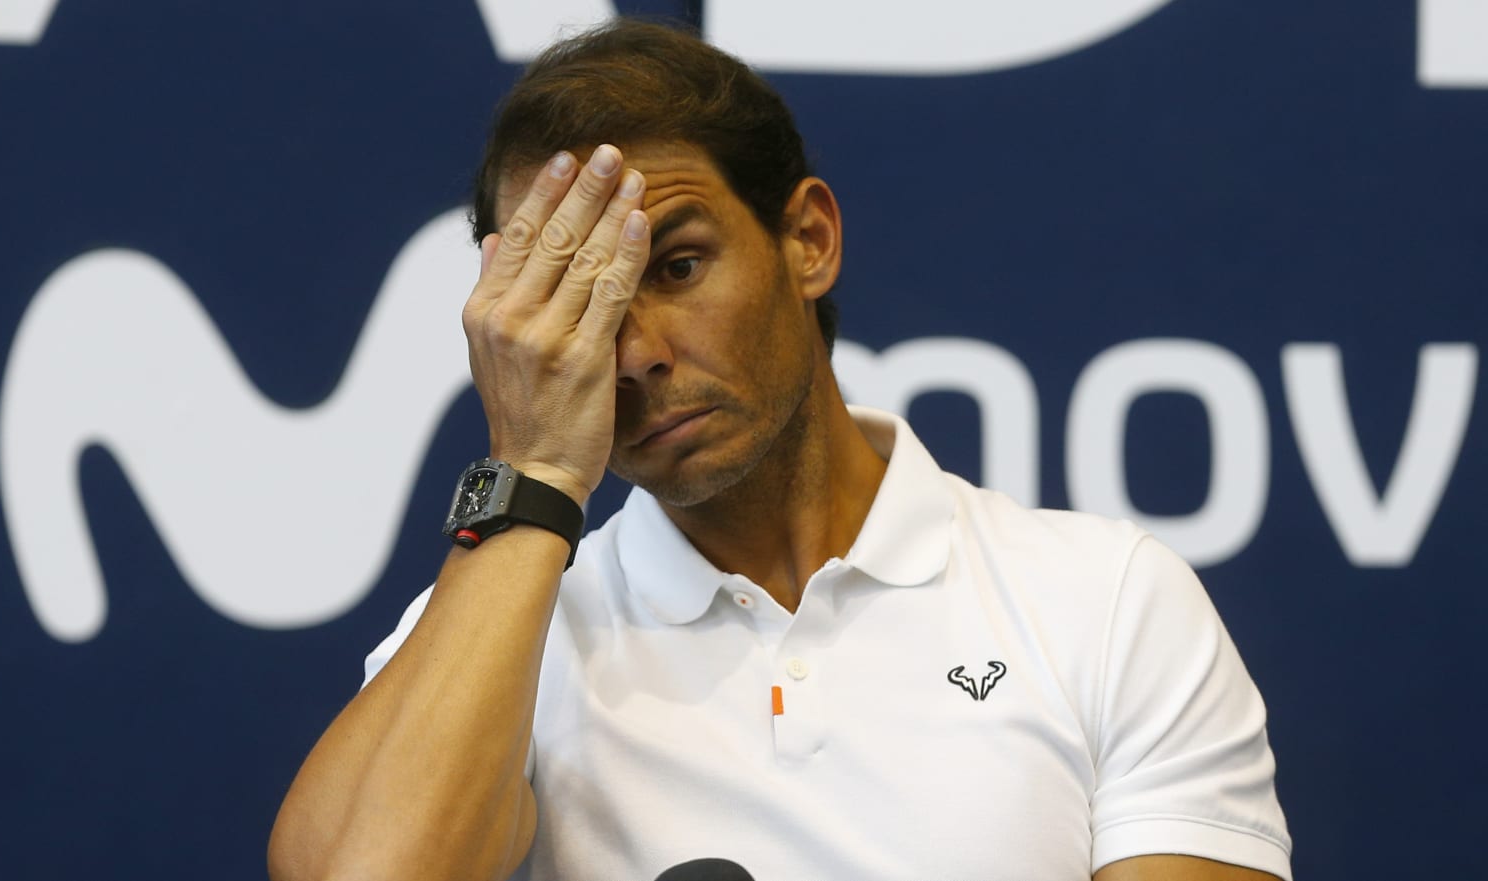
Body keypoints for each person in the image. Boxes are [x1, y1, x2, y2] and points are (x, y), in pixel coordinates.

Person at [268, 18, 1291, 881]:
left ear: (807, 239)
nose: (635, 355)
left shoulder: (1105, 599)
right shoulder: (498, 631)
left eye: (675, 264)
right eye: (581, 307)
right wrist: (532, 475)